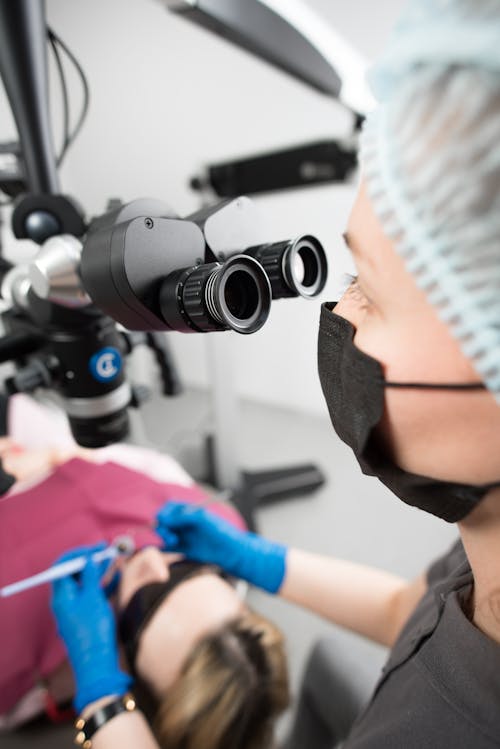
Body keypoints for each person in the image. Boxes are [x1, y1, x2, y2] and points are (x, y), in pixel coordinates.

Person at [149, 1, 500, 746]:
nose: (339, 308)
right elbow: (413, 603)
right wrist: (255, 559)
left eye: (368, 290)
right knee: (333, 665)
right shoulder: (486, 537)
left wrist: (104, 712)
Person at [0, 395, 289, 749]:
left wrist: (94, 682)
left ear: (125, 671)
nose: (150, 556)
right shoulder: (219, 524)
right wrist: (55, 455)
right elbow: (132, 461)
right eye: (185, 569)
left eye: (148, 601)